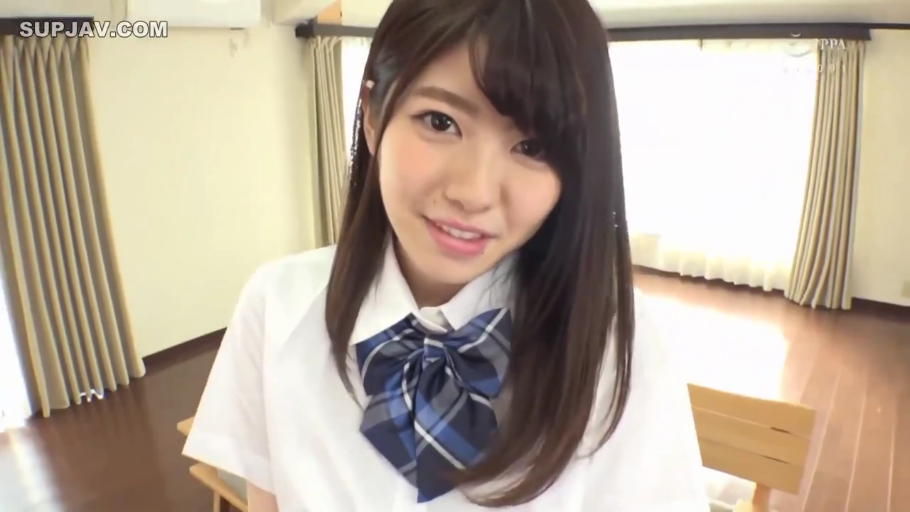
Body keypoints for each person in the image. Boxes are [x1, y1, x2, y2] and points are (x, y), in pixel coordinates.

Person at [183, 0, 709, 509]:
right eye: (439, 121)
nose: (473, 192)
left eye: (533, 147)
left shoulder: (622, 349)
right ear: (372, 117)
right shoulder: (276, 307)